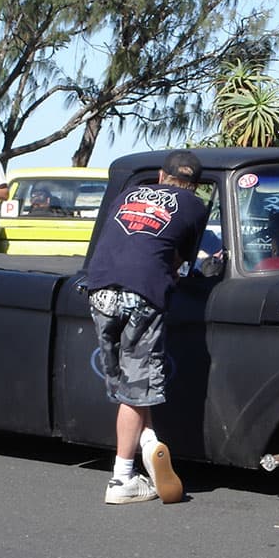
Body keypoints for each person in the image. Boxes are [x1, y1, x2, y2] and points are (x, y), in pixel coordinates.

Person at [85, 149, 208, 505]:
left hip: (99, 290)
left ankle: (150, 443)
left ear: (160, 175)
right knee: (136, 392)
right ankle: (121, 479)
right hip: (142, 293)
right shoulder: (194, 206)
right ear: (195, 186)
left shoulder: (127, 194)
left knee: (128, 386)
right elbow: (175, 260)